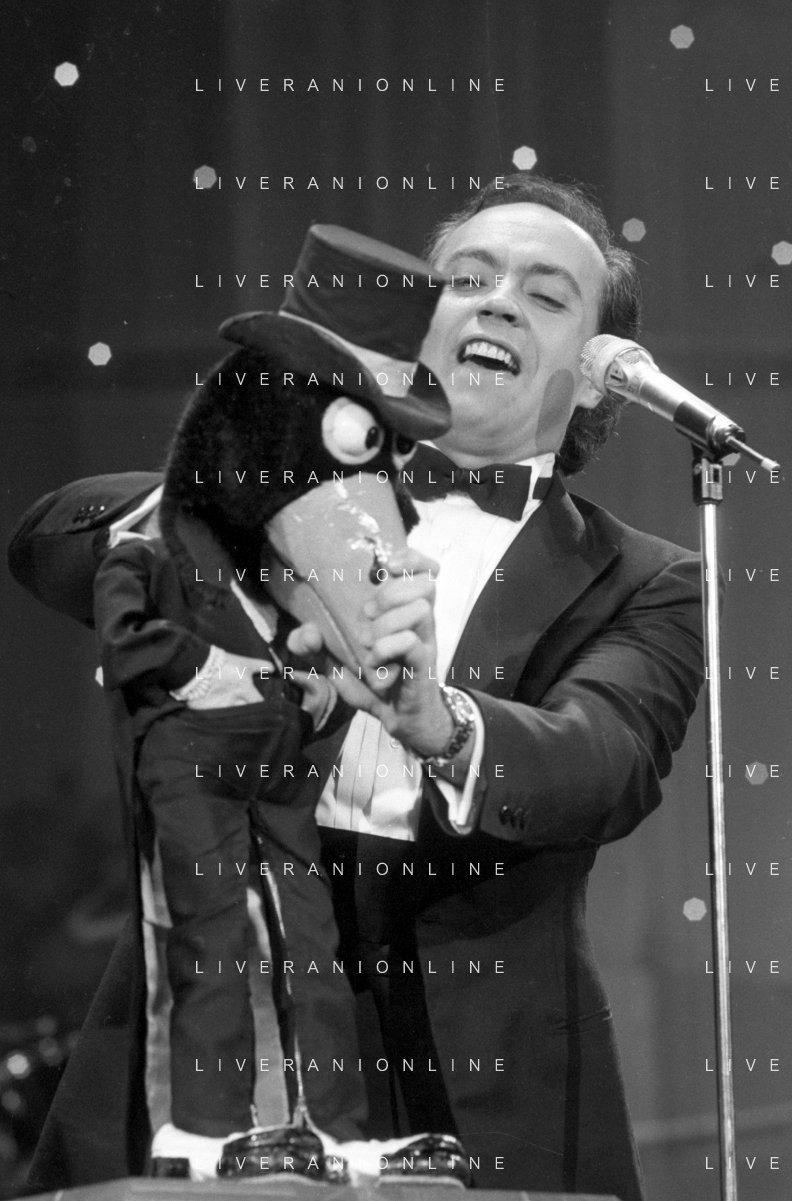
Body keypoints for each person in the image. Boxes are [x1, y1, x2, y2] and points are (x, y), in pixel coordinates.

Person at [9, 174, 705, 1201]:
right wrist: (274, 513)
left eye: (545, 294)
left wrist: (439, 718)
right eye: (469, 279)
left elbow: (604, 761)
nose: (499, 303)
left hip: (473, 1064)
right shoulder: (267, 498)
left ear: (601, 375)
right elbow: (50, 540)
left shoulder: (648, 579)